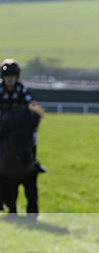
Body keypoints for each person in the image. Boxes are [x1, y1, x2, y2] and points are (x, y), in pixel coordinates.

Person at [0, 58, 46, 220]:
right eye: (7, 76)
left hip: (18, 124)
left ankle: (34, 162)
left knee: (32, 138)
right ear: (3, 77)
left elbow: (31, 104)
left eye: (12, 76)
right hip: (3, 123)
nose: (10, 78)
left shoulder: (22, 89)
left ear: (17, 77)